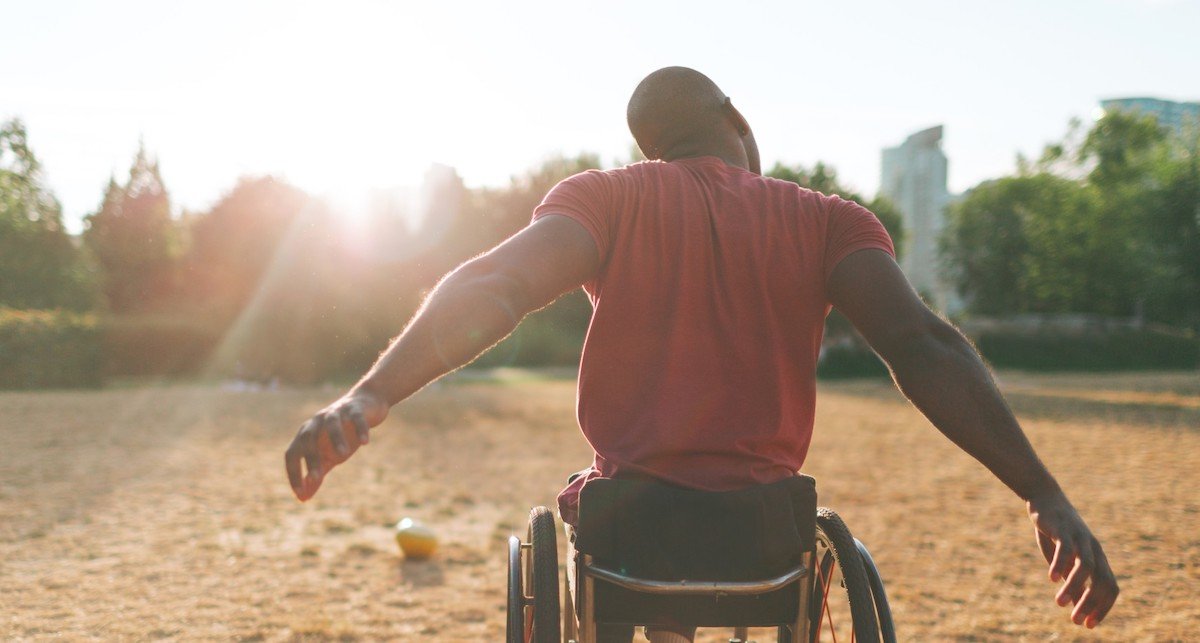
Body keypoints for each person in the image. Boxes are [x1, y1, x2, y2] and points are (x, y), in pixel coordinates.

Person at [284, 66, 1119, 640]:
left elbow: (495, 287)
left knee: (605, 512)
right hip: (768, 535)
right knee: (748, 527)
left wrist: (371, 394)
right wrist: (1042, 490)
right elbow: (922, 344)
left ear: (654, 147)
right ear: (739, 120)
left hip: (629, 536)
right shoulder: (828, 220)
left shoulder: (608, 200)